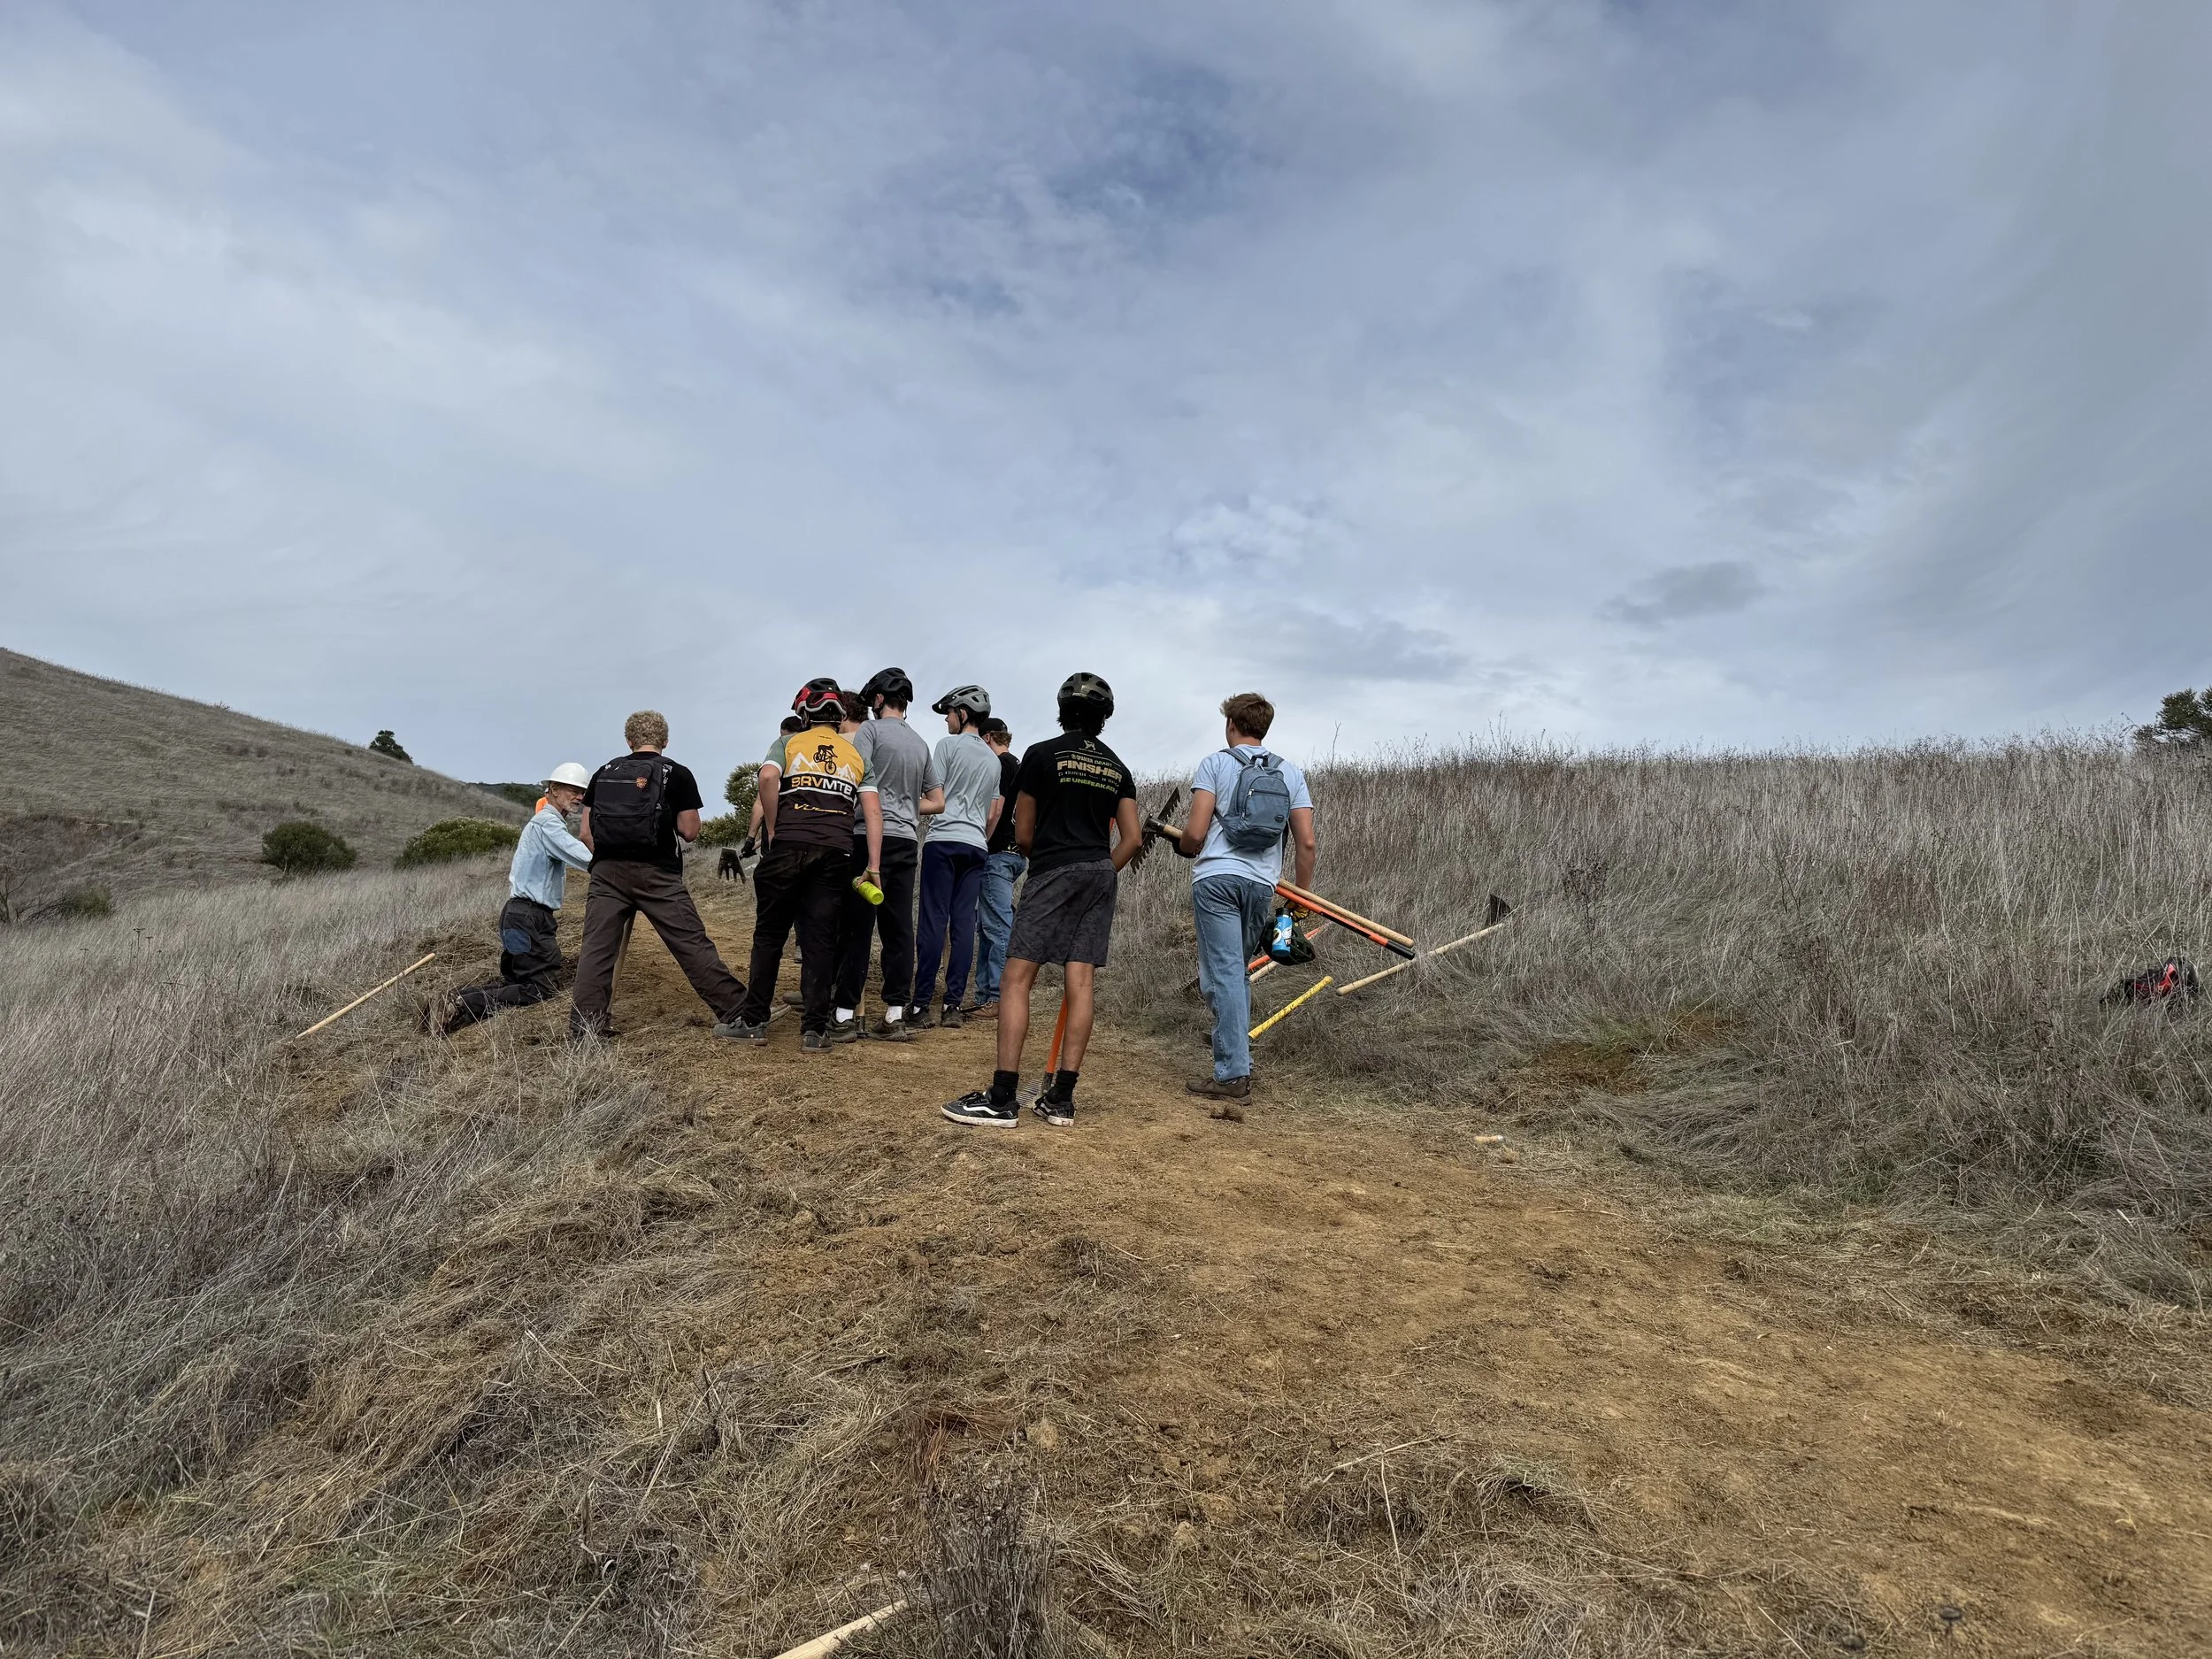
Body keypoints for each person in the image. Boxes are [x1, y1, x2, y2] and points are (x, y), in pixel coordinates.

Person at [942, 672, 1141, 1129]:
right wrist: (1099, 870)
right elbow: (1130, 838)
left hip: (1054, 869)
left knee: (1016, 979)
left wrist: (1051, 861)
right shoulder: (1117, 767)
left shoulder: (1041, 754)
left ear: (1062, 709)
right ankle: (1061, 1100)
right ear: (1103, 719)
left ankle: (1002, 1097)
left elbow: (1024, 831)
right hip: (1099, 873)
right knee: (1082, 982)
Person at [1168, 693, 1316, 1102]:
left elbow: (1195, 835)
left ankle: (1233, 1075)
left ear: (1231, 724)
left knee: (1224, 975)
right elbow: (1306, 843)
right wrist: (1299, 896)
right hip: (1261, 885)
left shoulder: (1215, 763)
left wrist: (1185, 847)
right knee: (1234, 972)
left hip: (1216, 880)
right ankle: (1235, 1057)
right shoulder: (1291, 772)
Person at [569, 712, 750, 1041]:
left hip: (606, 873)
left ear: (628, 741)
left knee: (596, 950)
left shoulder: (604, 773)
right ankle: (739, 1013)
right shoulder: (677, 774)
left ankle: (585, 1028)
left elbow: (585, 832)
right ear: (665, 741)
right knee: (690, 943)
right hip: (657, 873)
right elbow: (690, 831)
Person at [728, 679, 884, 1050]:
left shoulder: (788, 743)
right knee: (820, 940)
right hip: (835, 851)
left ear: (804, 713)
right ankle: (814, 1030)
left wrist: (772, 828)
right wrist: (873, 866)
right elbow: (874, 812)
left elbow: (767, 777)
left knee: (769, 935)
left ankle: (754, 1022)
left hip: (789, 845)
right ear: (840, 716)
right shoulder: (856, 756)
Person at [831, 667, 944, 1042]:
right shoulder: (920, 743)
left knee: (857, 927)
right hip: (906, 841)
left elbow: (854, 779)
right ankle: (895, 1014)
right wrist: (908, 807)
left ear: (878, 700)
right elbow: (938, 802)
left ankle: (845, 1014)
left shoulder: (870, 732)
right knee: (898, 929)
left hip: (867, 837)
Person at [440, 762, 594, 1033]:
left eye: (582, 791)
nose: (579, 797)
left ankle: (453, 1002)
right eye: (573, 790)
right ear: (554, 790)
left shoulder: (548, 822)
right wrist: (617, 866)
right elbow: (585, 858)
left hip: (521, 915)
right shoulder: (548, 824)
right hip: (528, 917)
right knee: (540, 988)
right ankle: (462, 1005)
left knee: (517, 979)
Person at [911, 685, 1001, 1027]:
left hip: (944, 840)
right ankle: (953, 1006)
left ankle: (920, 1005)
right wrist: (980, 837)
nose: (947, 718)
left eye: (950, 712)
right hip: (976, 845)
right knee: (964, 925)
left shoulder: (946, 746)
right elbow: (993, 813)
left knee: (934, 921)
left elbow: (936, 795)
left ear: (963, 713)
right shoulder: (993, 759)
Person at [968, 717, 1022, 1017]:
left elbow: (996, 807)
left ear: (988, 738)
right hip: (1016, 854)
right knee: (989, 925)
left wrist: (981, 841)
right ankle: (985, 995)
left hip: (997, 852)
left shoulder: (1000, 766)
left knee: (996, 926)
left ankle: (996, 998)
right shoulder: (1020, 765)